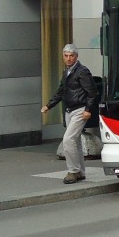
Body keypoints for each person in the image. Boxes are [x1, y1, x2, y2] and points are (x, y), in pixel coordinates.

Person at [41, 44, 98, 184]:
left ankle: (73, 171)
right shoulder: (67, 71)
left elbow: (92, 92)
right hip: (70, 109)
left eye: (71, 56)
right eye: (66, 56)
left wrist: (88, 110)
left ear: (76, 57)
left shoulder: (82, 71)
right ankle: (80, 172)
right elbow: (61, 91)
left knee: (68, 139)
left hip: (79, 109)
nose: (68, 58)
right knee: (75, 141)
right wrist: (49, 105)